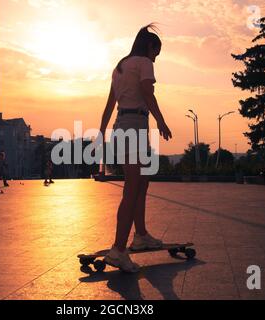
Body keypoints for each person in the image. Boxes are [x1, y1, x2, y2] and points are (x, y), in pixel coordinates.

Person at [98, 24, 172, 272]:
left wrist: (101, 130)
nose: (156, 58)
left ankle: (140, 235)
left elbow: (110, 102)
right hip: (134, 126)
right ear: (150, 47)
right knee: (132, 188)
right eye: (156, 53)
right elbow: (147, 93)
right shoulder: (143, 62)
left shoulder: (120, 67)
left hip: (122, 126)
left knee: (141, 182)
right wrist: (161, 120)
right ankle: (118, 249)